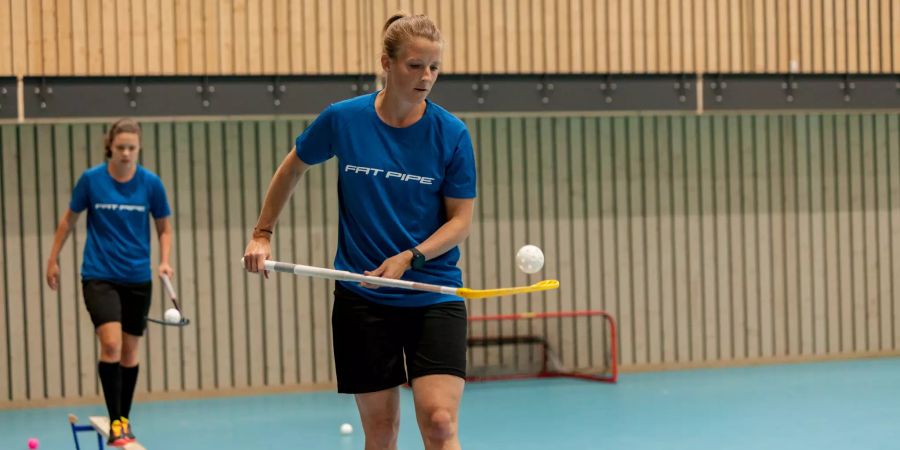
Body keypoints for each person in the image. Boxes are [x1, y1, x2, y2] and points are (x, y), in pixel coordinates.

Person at [243, 13, 476, 450]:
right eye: (414, 65)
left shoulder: (452, 134)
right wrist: (262, 233)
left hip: (433, 292)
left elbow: (460, 220)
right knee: (381, 431)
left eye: (434, 67)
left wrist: (412, 257)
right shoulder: (344, 120)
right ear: (386, 64)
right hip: (362, 297)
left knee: (440, 422)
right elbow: (292, 168)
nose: (426, 77)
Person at [46, 118, 173, 447]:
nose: (127, 154)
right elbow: (68, 220)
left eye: (132, 148)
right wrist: (53, 258)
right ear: (110, 147)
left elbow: (164, 227)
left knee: (130, 353)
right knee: (112, 345)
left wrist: (164, 260)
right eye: (121, 148)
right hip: (99, 274)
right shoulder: (91, 181)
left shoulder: (151, 184)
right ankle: (116, 422)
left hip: (137, 278)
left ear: (138, 148)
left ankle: (123, 420)